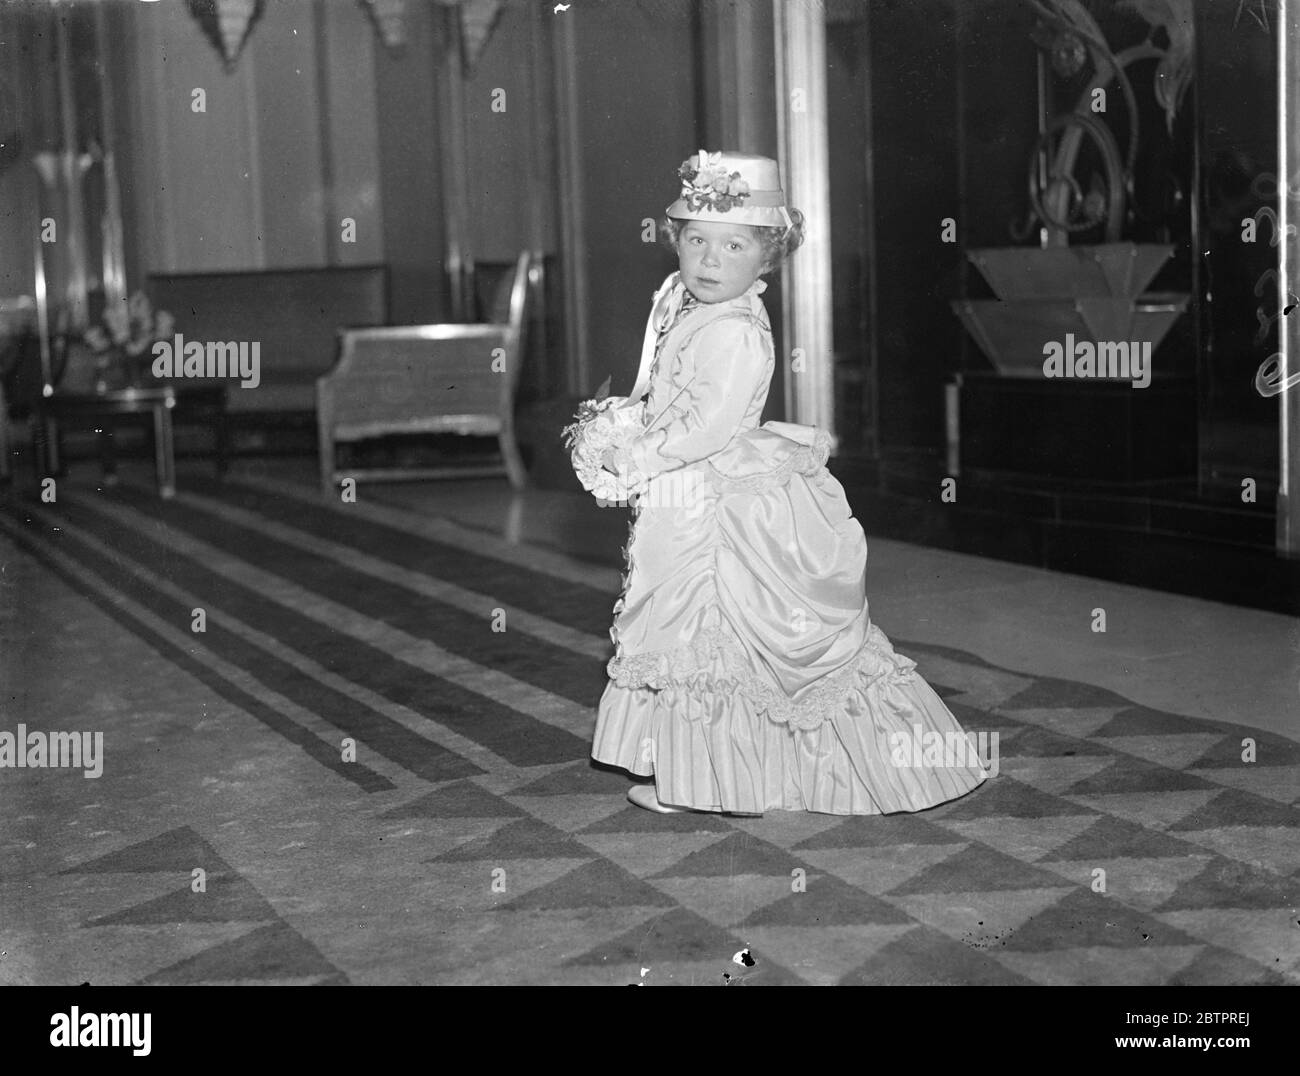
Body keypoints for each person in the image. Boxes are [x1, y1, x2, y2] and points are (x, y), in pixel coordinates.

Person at [583, 150, 990, 815]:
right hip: (696, 493)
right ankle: (703, 770)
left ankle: (720, 776)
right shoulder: (692, 307)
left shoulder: (736, 330)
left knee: (721, 634)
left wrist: (638, 455)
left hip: (723, 500)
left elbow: (710, 424)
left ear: (767, 257)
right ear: (677, 243)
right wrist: (629, 426)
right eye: (697, 241)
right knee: (700, 642)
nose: (711, 260)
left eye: (733, 245)